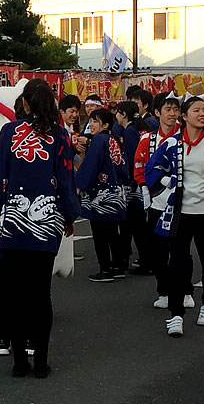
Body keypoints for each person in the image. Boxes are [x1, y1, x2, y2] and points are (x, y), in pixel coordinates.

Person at [0, 79, 78, 378]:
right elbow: (65, 179)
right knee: (40, 293)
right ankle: (42, 362)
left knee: (12, 293)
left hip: (13, 223)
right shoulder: (60, 136)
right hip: (45, 224)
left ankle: (19, 361)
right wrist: (69, 215)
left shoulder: (9, 132)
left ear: (24, 103)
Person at [145, 94, 204, 336]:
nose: (202, 114)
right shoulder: (172, 143)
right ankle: (176, 313)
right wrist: (166, 181)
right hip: (181, 212)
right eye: (196, 110)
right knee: (178, 262)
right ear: (184, 116)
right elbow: (151, 167)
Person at [134, 92, 181, 308]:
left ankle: (183, 289)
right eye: (168, 109)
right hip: (156, 200)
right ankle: (164, 291)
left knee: (180, 251)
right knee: (157, 251)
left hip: (183, 201)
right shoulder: (147, 139)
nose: (172, 114)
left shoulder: (186, 136)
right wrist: (145, 190)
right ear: (157, 112)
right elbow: (139, 167)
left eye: (175, 109)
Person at [76, 109, 128, 283]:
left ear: (105, 125)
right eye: (91, 121)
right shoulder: (114, 139)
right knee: (112, 232)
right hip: (116, 192)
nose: (91, 124)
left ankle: (105, 269)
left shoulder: (99, 140)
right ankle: (119, 266)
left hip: (101, 194)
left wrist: (79, 184)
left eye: (95, 121)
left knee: (100, 234)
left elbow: (90, 166)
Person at [115, 101, 148, 276]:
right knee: (139, 225)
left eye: (118, 112)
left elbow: (130, 158)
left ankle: (130, 260)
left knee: (131, 225)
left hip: (132, 183)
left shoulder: (129, 132)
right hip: (143, 181)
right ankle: (142, 259)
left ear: (123, 114)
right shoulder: (141, 128)